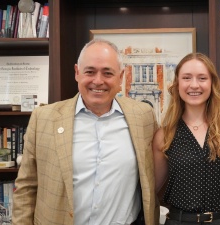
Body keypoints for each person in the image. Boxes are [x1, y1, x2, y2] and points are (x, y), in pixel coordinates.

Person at [12, 39, 159, 225]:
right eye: (90, 72)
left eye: (107, 73)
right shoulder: (43, 119)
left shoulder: (143, 116)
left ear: (120, 77)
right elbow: (26, 188)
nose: (98, 81)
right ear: (77, 73)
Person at [152, 52, 220, 224]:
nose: (194, 85)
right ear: (177, 84)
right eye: (187, 78)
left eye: (202, 78)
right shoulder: (164, 135)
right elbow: (154, 190)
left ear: (212, 83)